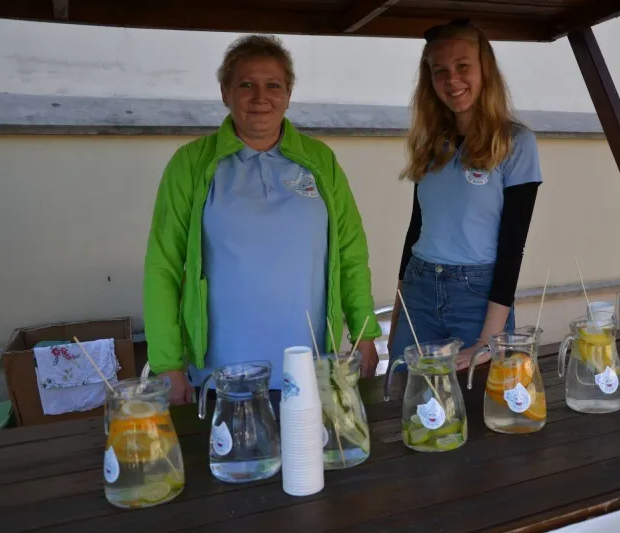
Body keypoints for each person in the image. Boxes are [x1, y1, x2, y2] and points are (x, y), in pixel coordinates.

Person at [143, 34, 381, 405]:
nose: (260, 97)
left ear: (288, 94)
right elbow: (164, 267)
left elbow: (350, 252)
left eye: (273, 85)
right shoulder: (191, 164)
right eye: (246, 85)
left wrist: (364, 331)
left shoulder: (320, 161)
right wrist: (166, 363)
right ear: (225, 92)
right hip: (223, 373)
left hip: (310, 367)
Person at [387, 19, 543, 370]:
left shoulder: (515, 143)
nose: (452, 80)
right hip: (419, 290)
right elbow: (416, 230)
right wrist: (398, 317)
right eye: (439, 71)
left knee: (475, 397)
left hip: (478, 298)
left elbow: (512, 247)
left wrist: (488, 341)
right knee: (408, 396)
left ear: (484, 69)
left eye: (462, 66)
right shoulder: (430, 142)